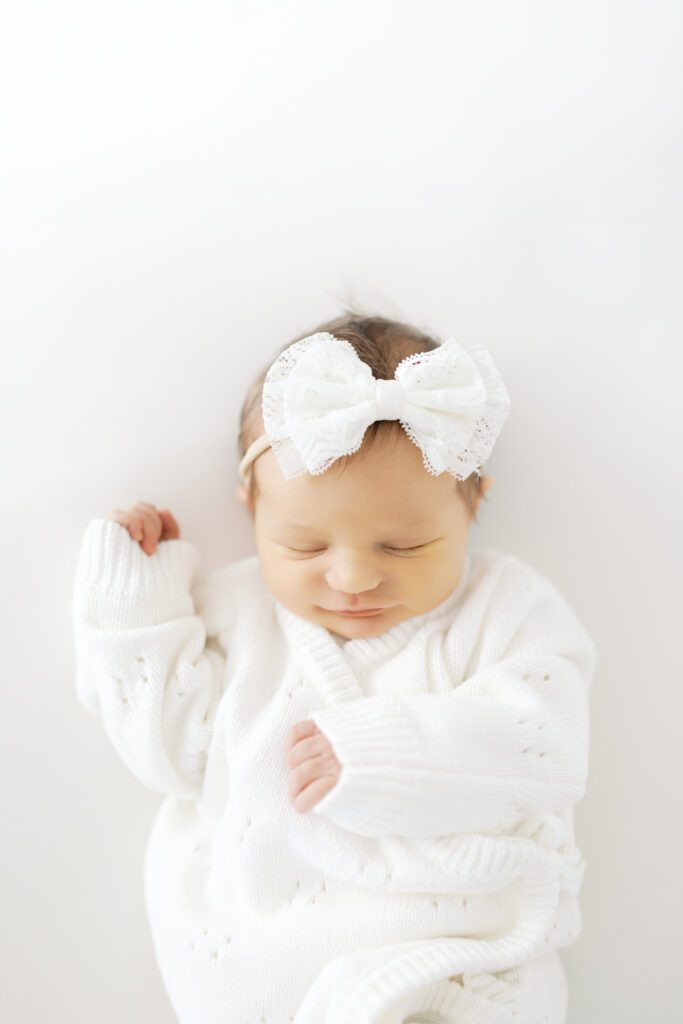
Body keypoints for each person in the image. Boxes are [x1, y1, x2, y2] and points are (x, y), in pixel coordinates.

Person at [72, 311, 596, 1024]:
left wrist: (392, 754)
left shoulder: (502, 609)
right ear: (251, 509)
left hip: (454, 958)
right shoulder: (237, 613)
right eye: (304, 545)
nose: (352, 578)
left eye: (403, 546)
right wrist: (136, 603)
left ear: (474, 503)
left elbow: (548, 741)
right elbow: (167, 752)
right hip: (270, 968)